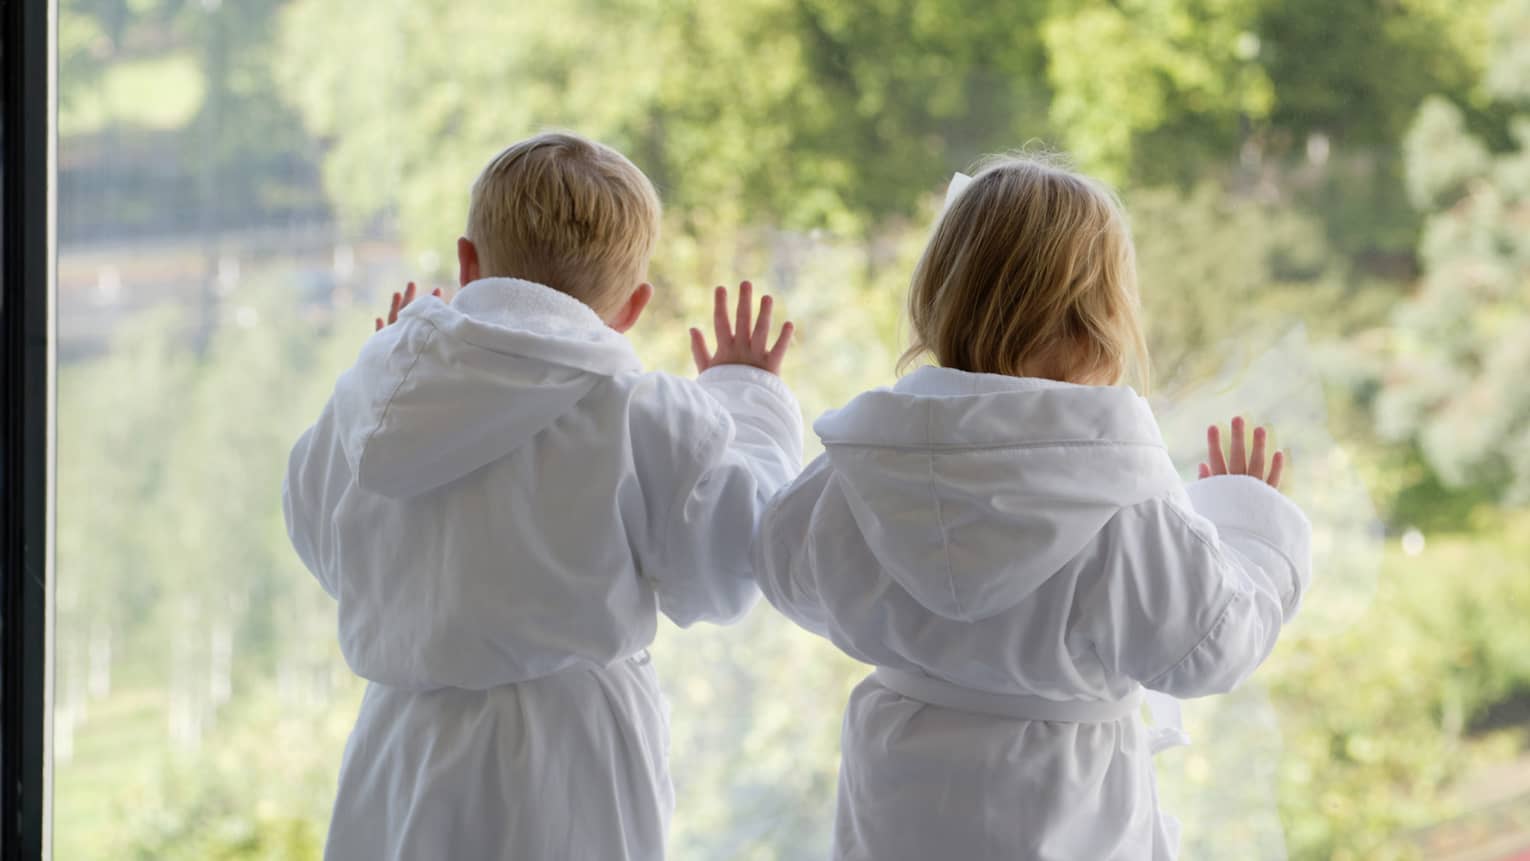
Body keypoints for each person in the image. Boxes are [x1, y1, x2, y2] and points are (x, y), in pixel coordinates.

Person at [751, 155, 1312, 860]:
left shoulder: (865, 467)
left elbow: (782, 562)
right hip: (1069, 812)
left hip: (899, 809)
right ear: (1098, 325)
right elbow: (1209, 644)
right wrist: (1247, 527)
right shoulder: (1118, 500)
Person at [282, 132, 802, 860]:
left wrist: (385, 377)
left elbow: (319, 532)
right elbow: (728, 563)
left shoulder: (370, 405)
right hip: (574, 756)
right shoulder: (636, 412)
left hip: (402, 748)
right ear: (631, 307)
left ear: (467, 263)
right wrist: (748, 398)